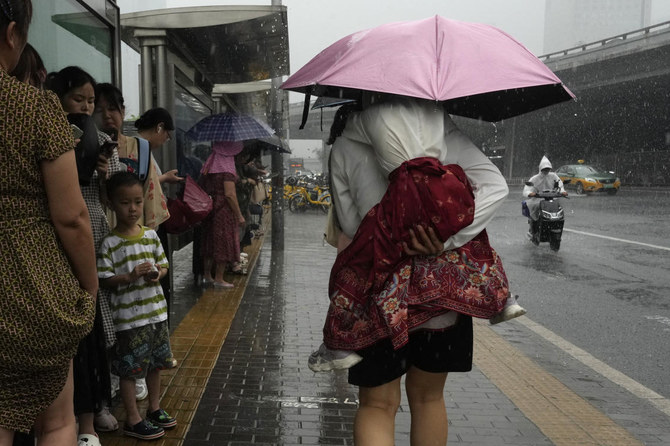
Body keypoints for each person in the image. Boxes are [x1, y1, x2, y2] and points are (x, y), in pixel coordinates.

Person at [311, 98, 524, 370]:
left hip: (378, 300)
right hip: (444, 295)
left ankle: (337, 345)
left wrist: (389, 230)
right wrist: (444, 240)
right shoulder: (439, 127)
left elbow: (352, 227)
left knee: (377, 404)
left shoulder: (343, 145)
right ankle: (498, 295)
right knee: (428, 399)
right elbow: (495, 187)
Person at [0, 1, 99, 445]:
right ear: (13, 33)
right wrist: (90, 287)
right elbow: (72, 216)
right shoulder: (33, 106)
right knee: (58, 421)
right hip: (29, 286)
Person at [46, 65, 123, 445]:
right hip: (63, 234)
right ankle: (75, 416)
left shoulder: (101, 141)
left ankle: (98, 405)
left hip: (94, 227)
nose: (87, 107)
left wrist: (105, 171)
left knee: (99, 322)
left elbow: (120, 198)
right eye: (79, 99)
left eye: (91, 102)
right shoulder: (50, 135)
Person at [97, 172, 177, 441]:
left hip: (155, 314)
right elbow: (105, 280)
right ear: (111, 204)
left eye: (137, 202)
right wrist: (130, 276)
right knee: (130, 370)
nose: (132, 209)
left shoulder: (151, 236)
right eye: (124, 203)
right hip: (128, 321)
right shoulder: (110, 243)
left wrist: (157, 274)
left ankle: (154, 409)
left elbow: (164, 266)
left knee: (155, 364)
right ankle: (132, 418)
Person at [93, 83, 169, 230]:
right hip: (98, 232)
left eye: (112, 109)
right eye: (99, 110)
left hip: (134, 238)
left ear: (122, 111)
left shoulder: (141, 148)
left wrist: (146, 242)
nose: (106, 115)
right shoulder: (87, 150)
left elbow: (150, 198)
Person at [199, 141, 246, 288]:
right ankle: (219, 277)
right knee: (224, 242)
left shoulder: (211, 161)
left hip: (209, 208)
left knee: (210, 241)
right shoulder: (227, 168)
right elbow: (230, 194)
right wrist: (239, 215)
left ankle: (207, 275)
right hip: (223, 210)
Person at [523, 155, 568, 241]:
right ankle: (533, 230)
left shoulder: (554, 176)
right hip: (537, 199)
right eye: (544, 169)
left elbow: (560, 184)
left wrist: (562, 191)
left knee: (559, 209)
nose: (546, 170)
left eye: (548, 169)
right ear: (541, 168)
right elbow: (526, 189)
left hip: (551, 199)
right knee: (535, 210)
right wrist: (530, 193)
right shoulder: (534, 178)